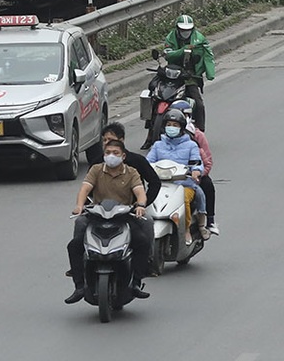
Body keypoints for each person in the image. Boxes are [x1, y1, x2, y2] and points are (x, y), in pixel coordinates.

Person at [66, 133, 151, 302]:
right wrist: (79, 205)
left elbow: (140, 192)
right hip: (97, 215)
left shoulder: (131, 172)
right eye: (108, 152)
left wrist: (140, 205)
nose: (111, 156)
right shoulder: (97, 170)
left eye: (115, 153)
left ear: (123, 156)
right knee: (75, 244)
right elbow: (85, 189)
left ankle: (136, 282)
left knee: (142, 241)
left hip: (124, 217)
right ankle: (79, 285)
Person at [96, 121, 162, 274]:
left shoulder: (136, 162)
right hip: (102, 211)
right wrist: (86, 206)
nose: (108, 144)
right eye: (105, 141)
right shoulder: (97, 164)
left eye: (112, 140)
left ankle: (148, 261)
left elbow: (154, 183)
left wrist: (141, 205)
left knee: (147, 223)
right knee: (81, 225)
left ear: (122, 141)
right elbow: (87, 187)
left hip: (130, 211)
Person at [145, 114, 208, 244]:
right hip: (161, 185)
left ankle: (186, 229)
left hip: (184, 184)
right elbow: (148, 162)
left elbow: (197, 162)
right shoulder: (157, 145)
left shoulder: (191, 146)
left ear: (182, 128)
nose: (171, 128)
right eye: (168, 125)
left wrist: (196, 170)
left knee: (184, 199)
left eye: (175, 125)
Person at [170, 99, 218, 236]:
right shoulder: (161, 142)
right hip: (168, 179)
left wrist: (197, 173)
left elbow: (206, 161)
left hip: (189, 178)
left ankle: (209, 221)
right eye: (170, 123)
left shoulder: (195, 139)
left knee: (207, 185)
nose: (173, 126)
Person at [159, 14, 215, 127]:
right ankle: (151, 133)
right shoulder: (171, 37)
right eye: (183, 30)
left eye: (188, 30)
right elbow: (169, 55)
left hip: (190, 76)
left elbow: (208, 55)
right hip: (172, 74)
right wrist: (183, 50)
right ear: (177, 28)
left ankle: (199, 131)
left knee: (198, 104)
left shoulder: (199, 39)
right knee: (154, 94)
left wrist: (210, 73)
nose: (185, 32)